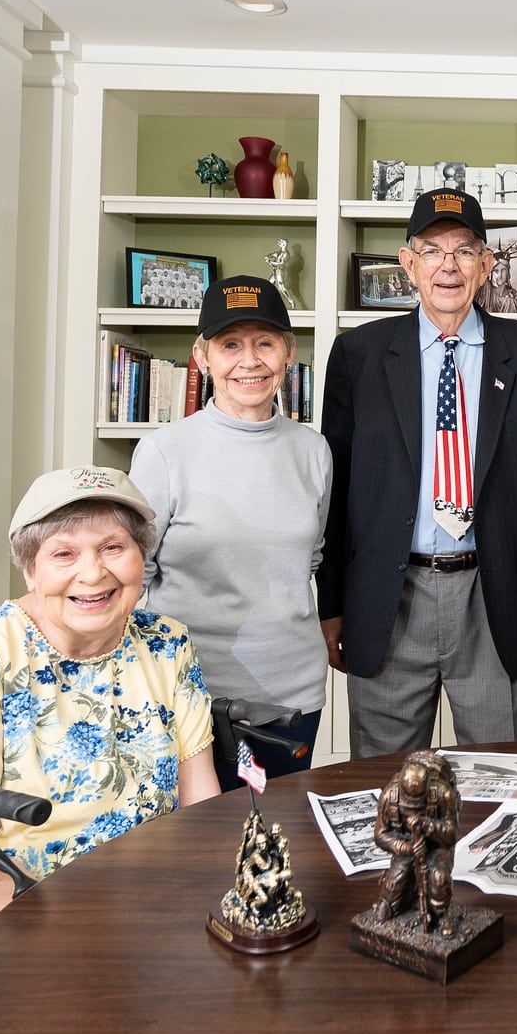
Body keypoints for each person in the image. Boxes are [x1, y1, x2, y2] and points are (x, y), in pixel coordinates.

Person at [0, 466, 221, 1034]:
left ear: (143, 558)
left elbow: (200, 805)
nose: (94, 573)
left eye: (115, 547)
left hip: (133, 920)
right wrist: (69, 950)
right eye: (64, 554)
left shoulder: (167, 642)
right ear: (31, 568)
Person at [318, 189, 517, 758]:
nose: (448, 266)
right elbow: (338, 487)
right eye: (432, 250)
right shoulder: (358, 356)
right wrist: (332, 605)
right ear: (408, 264)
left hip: (496, 596)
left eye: (463, 251)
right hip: (388, 599)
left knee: (503, 784)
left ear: (486, 265)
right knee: (385, 793)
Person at [130, 275, 331, 785]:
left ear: (288, 352)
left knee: (274, 844)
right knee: (191, 855)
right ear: (202, 356)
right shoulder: (162, 453)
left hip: (292, 694)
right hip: (189, 691)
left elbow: (309, 558)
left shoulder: (313, 451)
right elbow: (135, 574)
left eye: (265, 343)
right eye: (231, 345)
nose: (250, 360)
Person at [371, 749, 461, 935]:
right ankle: (399, 898)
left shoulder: (444, 794)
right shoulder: (389, 796)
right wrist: (407, 848)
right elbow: (380, 834)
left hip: (437, 845)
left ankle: (442, 916)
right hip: (405, 846)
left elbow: (451, 834)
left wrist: (427, 825)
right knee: (388, 900)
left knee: (438, 878)